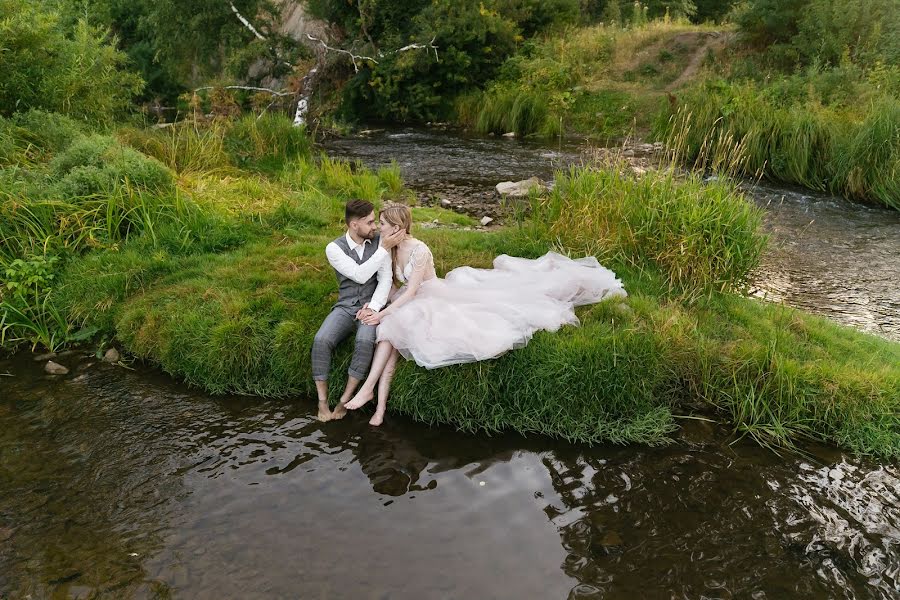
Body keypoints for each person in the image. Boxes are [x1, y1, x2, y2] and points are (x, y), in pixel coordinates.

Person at [344, 203, 627, 426]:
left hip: (430, 296)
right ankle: (377, 405)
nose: (378, 229)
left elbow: (411, 291)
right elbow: (392, 285)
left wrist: (384, 314)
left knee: (393, 329)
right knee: (391, 336)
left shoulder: (419, 250)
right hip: (407, 299)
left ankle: (371, 395)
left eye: (381, 224)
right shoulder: (390, 250)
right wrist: (378, 308)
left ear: (397, 227)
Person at [311, 199, 403, 422]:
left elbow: (384, 279)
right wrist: (383, 250)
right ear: (354, 225)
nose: (375, 227)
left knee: (364, 343)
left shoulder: (379, 241)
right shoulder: (334, 248)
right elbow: (359, 275)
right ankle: (322, 401)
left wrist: (373, 308)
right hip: (346, 305)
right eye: (370, 222)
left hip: (372, 305)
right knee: (321, 340)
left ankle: (345, 398)